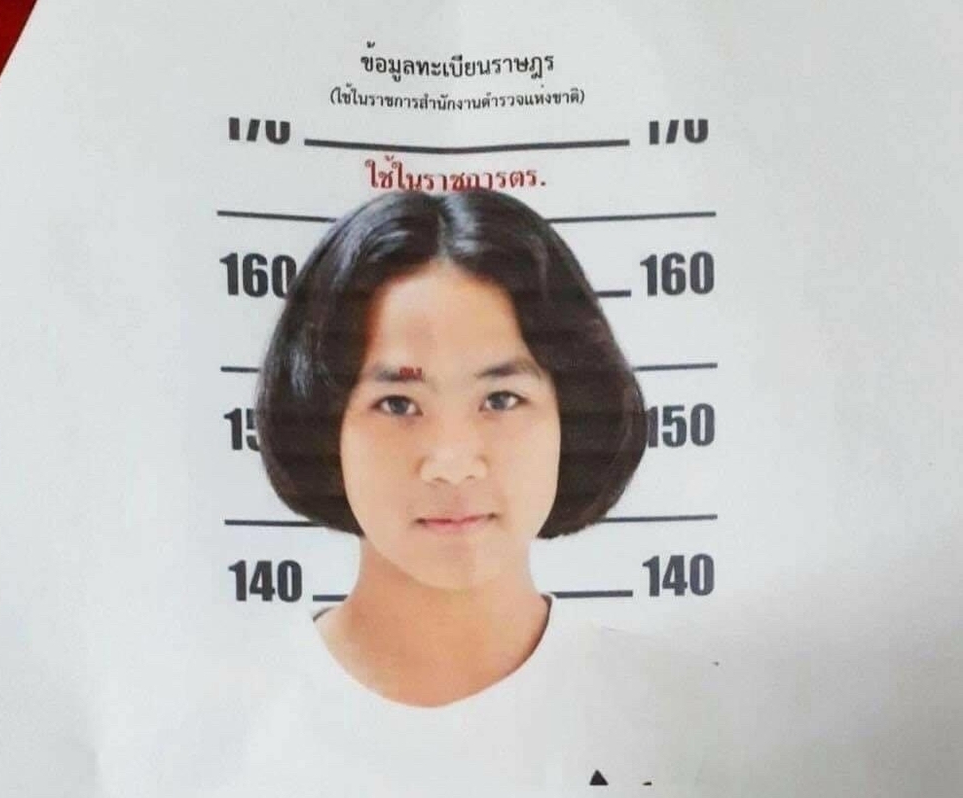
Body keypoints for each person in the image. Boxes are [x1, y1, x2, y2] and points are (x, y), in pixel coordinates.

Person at [247, 188, 724, 797]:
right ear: (321, 424)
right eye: (398, 404)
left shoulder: (684, 720)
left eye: (501, 399)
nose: (452, 464)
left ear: (572, 416)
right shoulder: (226, 728)